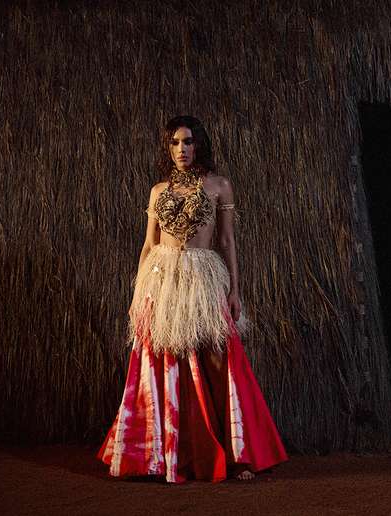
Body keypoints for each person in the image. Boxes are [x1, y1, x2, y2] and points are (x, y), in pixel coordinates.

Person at [97, 115, 288, 483]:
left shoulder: (219, 185)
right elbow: (149, 243)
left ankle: (235, 455)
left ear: (199, 144)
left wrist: (235, 290)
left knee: (218, 360)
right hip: (161, 279)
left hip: (203, 277)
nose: (181, 149)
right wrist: (138, 294)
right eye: (174, 143)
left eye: (187, 142)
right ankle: (163, 454)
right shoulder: (158, 190)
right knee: (161, 362)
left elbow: (227, 241)